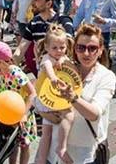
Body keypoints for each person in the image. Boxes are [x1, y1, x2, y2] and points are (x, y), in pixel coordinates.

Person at [50, 24, 116, 164]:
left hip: (87, 153)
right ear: (75, 49)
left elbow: (94, 114)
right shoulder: (65, 70)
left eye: (92, 48)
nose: (86, 53)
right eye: (81, 48)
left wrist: (73, 98)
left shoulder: (106, 76)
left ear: (100, 51)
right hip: (60, 149)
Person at [0, 41, 37, 164]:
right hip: (8, 115)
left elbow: (33, 93)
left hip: (22, 114)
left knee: (24, 145)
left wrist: (24, 114)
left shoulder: (15, 72)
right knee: (11, 146)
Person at [34, 25, 75, 164]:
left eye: (62, 48)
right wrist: (53, 79)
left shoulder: (64, 58)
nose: (58, 51)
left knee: (62, 122)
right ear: (46, 47)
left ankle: (61, 147)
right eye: (55, 48)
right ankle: (41, 159)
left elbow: (72, 73)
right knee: (46, 133)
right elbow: (48, 68)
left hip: (57, 100)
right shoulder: (46, 58)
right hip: (46, 100)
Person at [17, 0, 74, 75]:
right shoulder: (33, 23)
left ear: (48, 4)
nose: (32, 3)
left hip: (64, 72)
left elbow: (70, 48)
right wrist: (10, 64)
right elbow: (21, 49)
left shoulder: (64, 21)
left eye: (36, 0)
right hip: (42, 74)